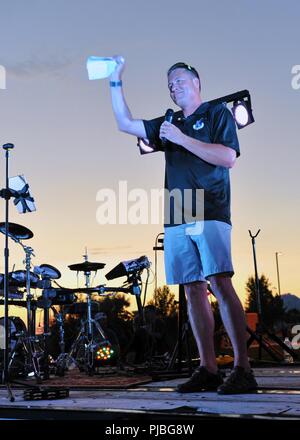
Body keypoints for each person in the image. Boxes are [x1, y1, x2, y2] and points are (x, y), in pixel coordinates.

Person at [108, 56, 257, 394]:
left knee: (218, 281)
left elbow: (228, 157)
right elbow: (124, 122)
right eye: (170, 83)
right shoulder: (168, 121)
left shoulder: (216, 113)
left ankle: (243, 368)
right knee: (191, 289)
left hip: (210, 207)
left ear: (197, 82)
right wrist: (114, 80)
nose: (174, 85)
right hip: (178, 214)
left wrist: (180, 138)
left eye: (180, 79)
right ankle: (207, 368)